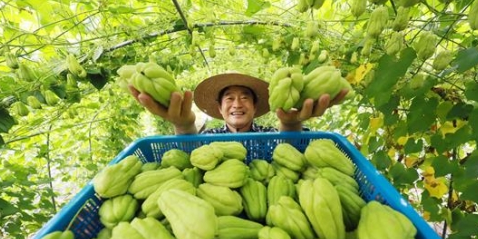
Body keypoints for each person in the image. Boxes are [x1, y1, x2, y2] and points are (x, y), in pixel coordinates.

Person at [128, 72, 347, 135]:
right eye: (229, 98)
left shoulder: (269, 136)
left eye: (244, 97)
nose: (237, 104)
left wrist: (290, 126)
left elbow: (289, 154)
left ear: (254, 106)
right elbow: (189, 156)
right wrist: (184, 127)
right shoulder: (208, 138)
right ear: (220, 108)